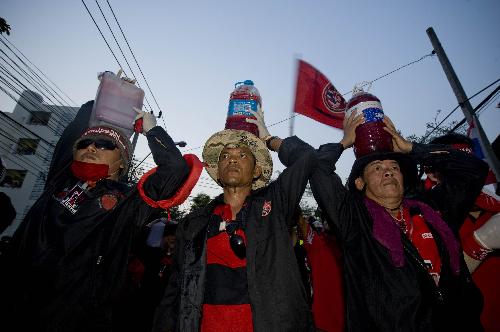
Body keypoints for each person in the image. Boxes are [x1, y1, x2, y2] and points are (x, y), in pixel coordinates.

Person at [0, 106, 202, 332]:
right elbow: (72, 132)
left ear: (122, 163)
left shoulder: (129, 202)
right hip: (14, 303)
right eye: (84, 144)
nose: (92, 147)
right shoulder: (60, 181)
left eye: (105, 145)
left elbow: (175, 169)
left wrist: (151, 130)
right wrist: (104, 98)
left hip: (75, 317)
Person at [309, 112, 487, 331]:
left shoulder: (434, 207)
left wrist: (412, 149)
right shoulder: (354, 221)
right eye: (377, 168)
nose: (388, 173)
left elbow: (474, 169)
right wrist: (345, 142)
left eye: (394, 167)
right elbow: (318, 168)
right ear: (359, 183)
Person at [152, 107, 316, 331]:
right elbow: (175, 290)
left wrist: (268, 139)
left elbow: (306, 157)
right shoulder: (194, 223)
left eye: (242, 155)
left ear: (257, 170)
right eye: (225, 156)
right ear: (218, 172)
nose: (232, 160)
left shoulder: (274, 207)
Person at [423, 133, 500, 332]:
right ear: (432, 173)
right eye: (459, 166)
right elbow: (430, 284)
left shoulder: (494, 203)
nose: (470, 173)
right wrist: (480, 242)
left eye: (471, 163)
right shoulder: (422, 216)